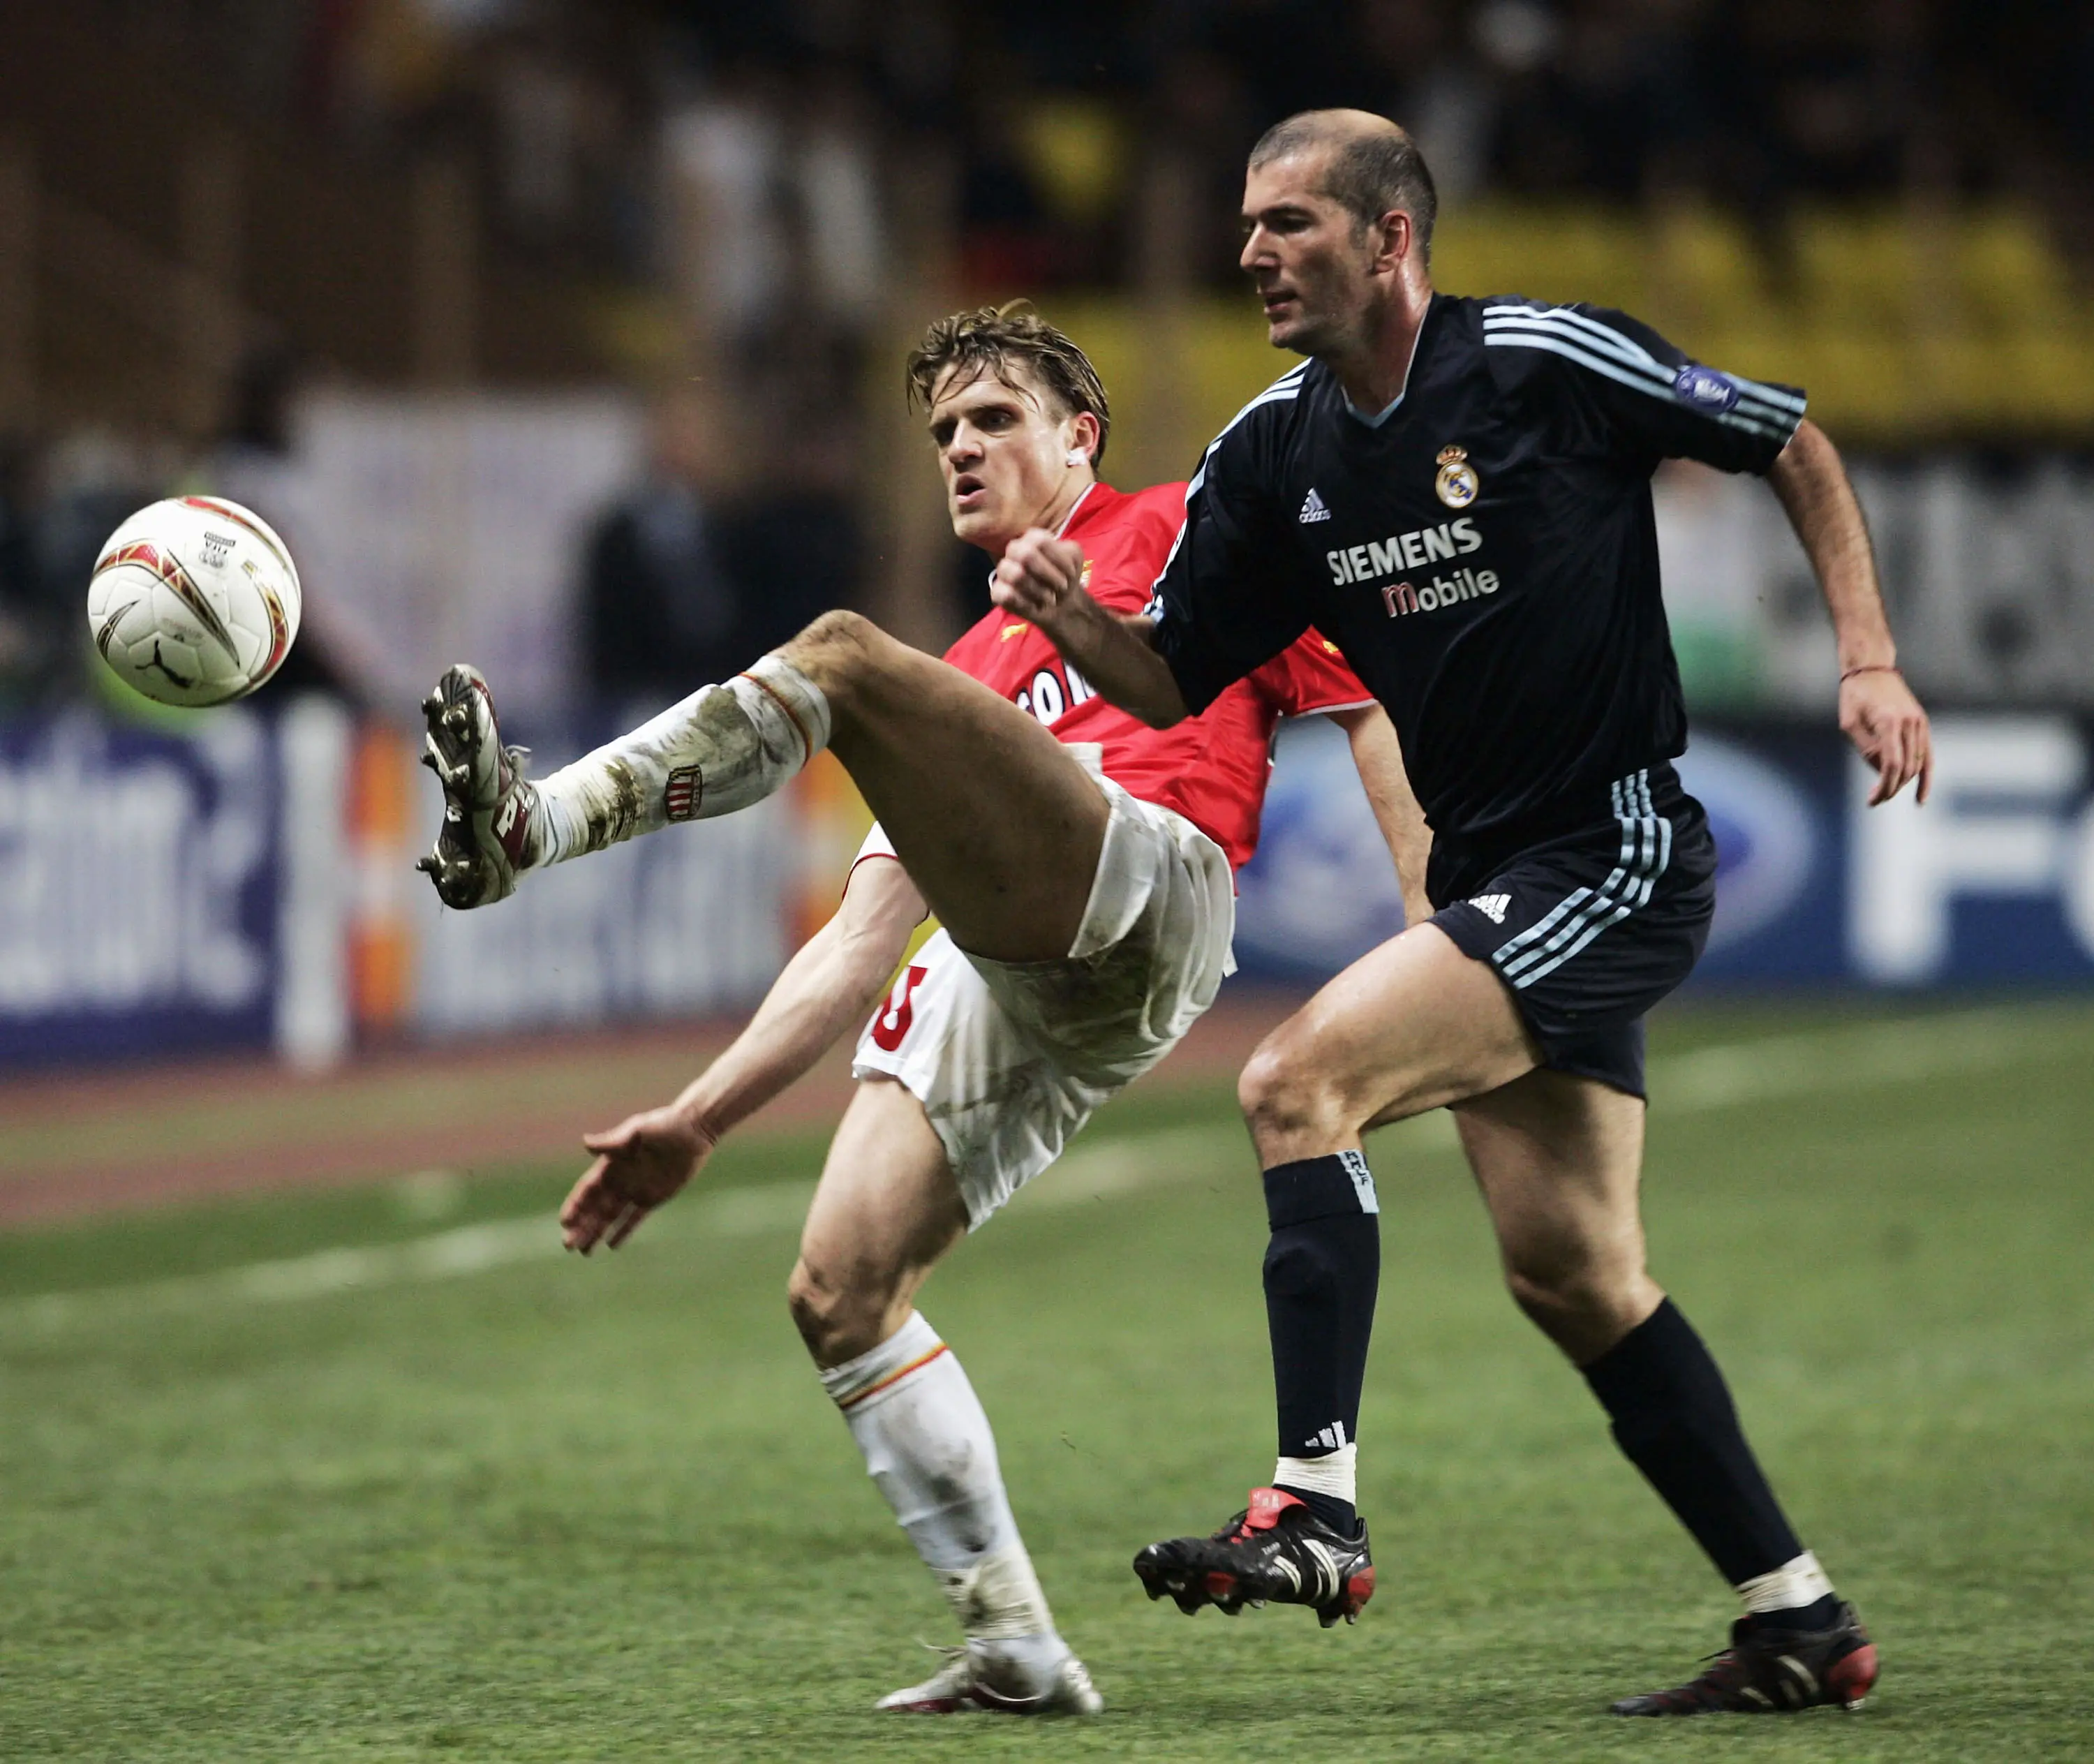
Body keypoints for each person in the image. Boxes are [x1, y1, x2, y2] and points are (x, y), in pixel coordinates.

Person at [991, 110, 1932, 1717]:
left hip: (1615, 849)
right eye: (1245, 225)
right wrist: (1086, 622)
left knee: (1296, 1083)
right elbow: (1177, 670)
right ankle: (1800, 1621)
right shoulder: (1273, 450)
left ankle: (1314, 1507)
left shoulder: (1542, 364)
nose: (1253, 254)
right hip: (1501, 878)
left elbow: (1791, 439)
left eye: (1290, 222)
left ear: (1390, 239)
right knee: (1573, 1270)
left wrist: (1865, 655)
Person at [415, 304, 1412, 1715]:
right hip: (1024, 964)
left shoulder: (1196, 536)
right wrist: (698, 1121)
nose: (960, 446)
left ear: (1084, 435)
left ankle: (536, 824)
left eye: (995, 418)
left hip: (1156, 882)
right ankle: (1015, 1644)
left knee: (837, 653)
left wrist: (1446, 939)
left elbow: (1365, 701)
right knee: (839, 1293)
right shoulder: (967, 682)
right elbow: (857, 942)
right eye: (942, 428)